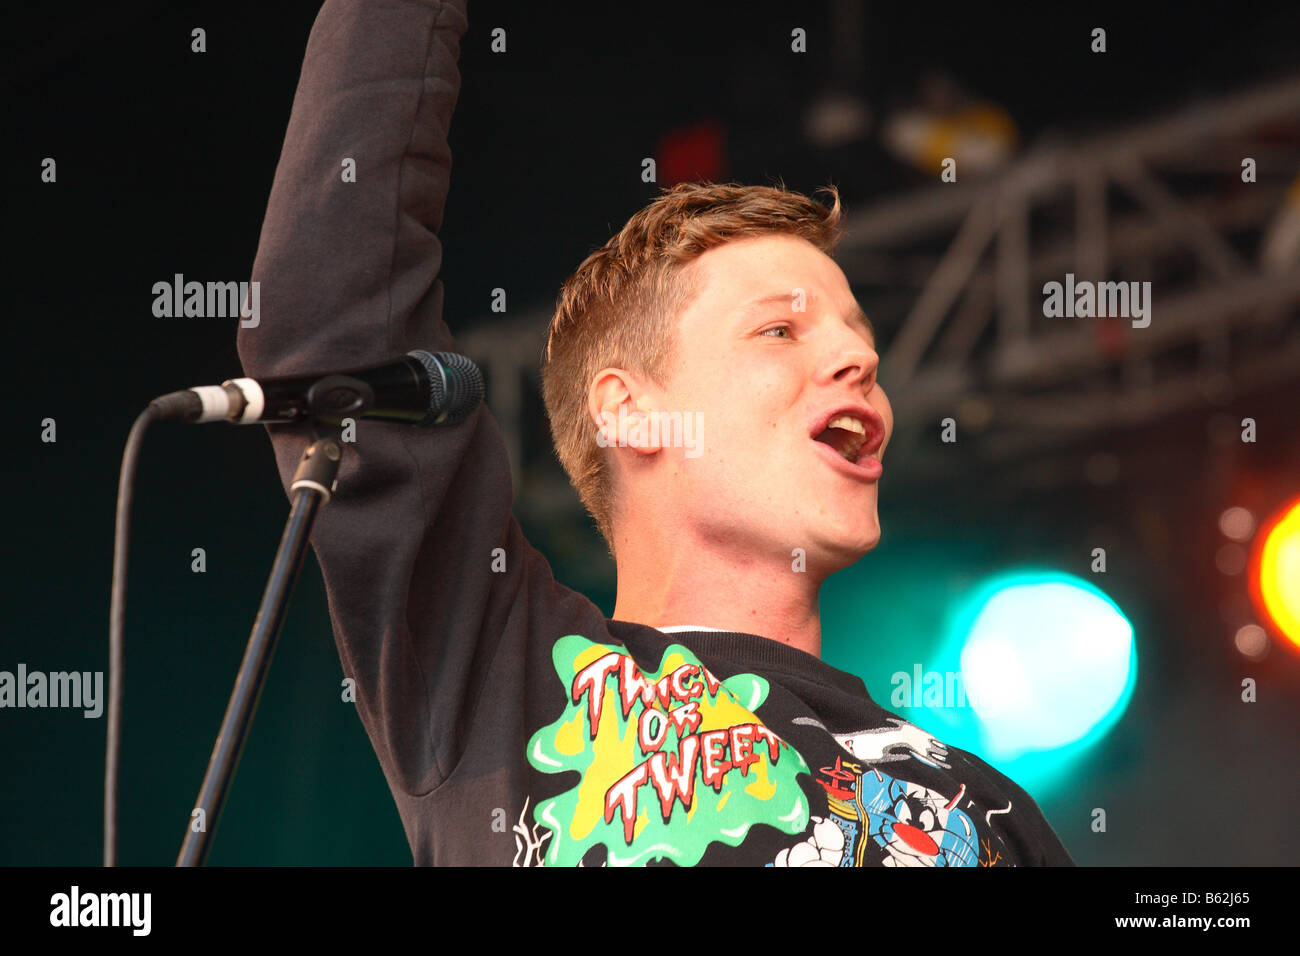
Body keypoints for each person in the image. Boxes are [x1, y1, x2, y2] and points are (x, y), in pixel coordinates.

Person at [238, 0, 1074, 866]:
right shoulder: (513, 683)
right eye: (780, 331)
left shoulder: (979, 809)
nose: (857, 360)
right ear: (627, 411)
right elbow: (331, 330)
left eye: (861, 338)